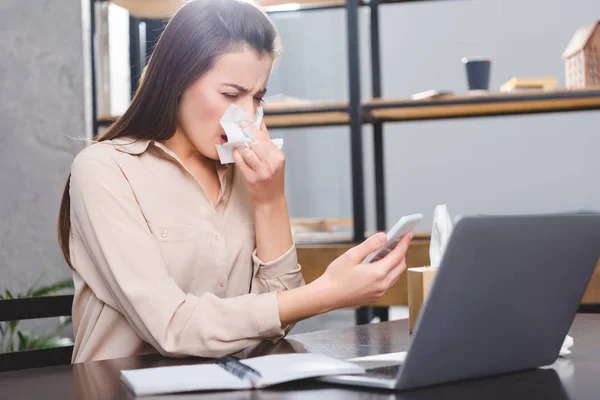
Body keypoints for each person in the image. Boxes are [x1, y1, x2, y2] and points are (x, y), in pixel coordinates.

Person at [57, 0, 413, 363]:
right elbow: (172, 327)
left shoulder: (247, 176)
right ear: (176, 81)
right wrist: (328, 293)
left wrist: (270, 200)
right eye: (231, 95)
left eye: (257, 97)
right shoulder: (105, 170)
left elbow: (279, 317)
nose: (246, 116)